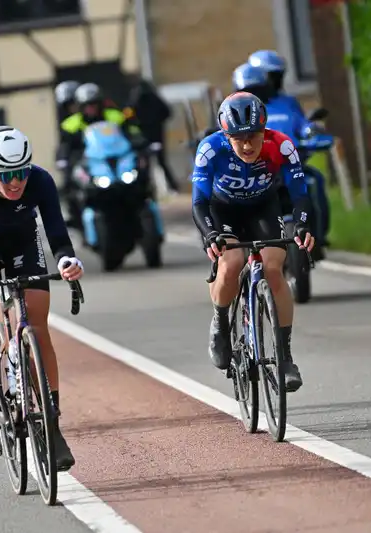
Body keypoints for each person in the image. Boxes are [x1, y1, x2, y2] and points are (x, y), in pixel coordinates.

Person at [0, 125, 84, 471]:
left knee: (38, 326)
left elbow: (56, 231)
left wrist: (68, 259)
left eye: (21, 172)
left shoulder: (40, 180)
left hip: (22, 241)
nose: (15, 182)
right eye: (6, 175)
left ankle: (51, 427)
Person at [191, 92, 314, 392]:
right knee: (231, 262)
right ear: (226, 135)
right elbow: (199, 202)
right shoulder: (210, 148)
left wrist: (301, 225)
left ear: (264, 131)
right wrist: (210, 234)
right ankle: (221, 323)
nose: (247, 145)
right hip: (222, 210)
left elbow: (299, 195)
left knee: (273, 269)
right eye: (239, 138)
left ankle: (284, 357)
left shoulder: (282, 146)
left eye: (253, 137)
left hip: (263, 207)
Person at [249, 50, 330, 240]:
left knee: (315, 180)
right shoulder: (244, 103)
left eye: (277, 76)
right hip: (255, 167)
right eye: (269, 76)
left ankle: (319, 235)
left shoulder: (289, 102)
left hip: (289, 163)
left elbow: (302, 125)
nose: (273, 82)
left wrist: (310, 132)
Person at [56, 82, 146, 225]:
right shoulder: (71, 124)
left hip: (118, 158)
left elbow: (131, 132)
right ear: (81, 106)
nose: (91, 108)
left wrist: (141, 141)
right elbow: (65, 146)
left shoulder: (115, 116)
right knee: (71, 182)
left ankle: (145, 203)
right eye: (87, 105)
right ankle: (74, 215)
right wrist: (63, 158)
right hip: (90, 162)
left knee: (141, 172)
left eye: (94, 104)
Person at [126, 76, 179, 193]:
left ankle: (147, 189)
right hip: (156, 134)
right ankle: (173, 187)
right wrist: (157, 122)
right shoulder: (154, 99)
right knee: (161, 162)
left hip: (144, 135)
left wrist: (139, 124)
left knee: (146, 163)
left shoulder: (135, 99)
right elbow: (167, 112)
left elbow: (129, 117)